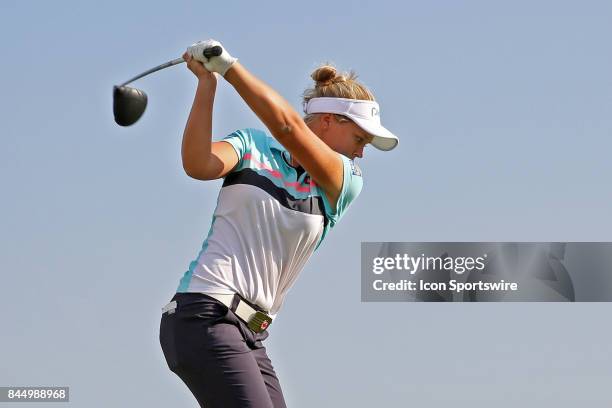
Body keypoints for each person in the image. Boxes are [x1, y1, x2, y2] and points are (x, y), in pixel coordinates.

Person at [159, 39, 398, 408]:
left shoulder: (344, 180)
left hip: (250, 334)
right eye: (360, 137)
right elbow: (198, 164)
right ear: (329, 122)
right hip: (203, 315)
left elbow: (288, 128)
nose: (362, 150)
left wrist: (230, 67)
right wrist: (209, 85)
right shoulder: (251, 145)